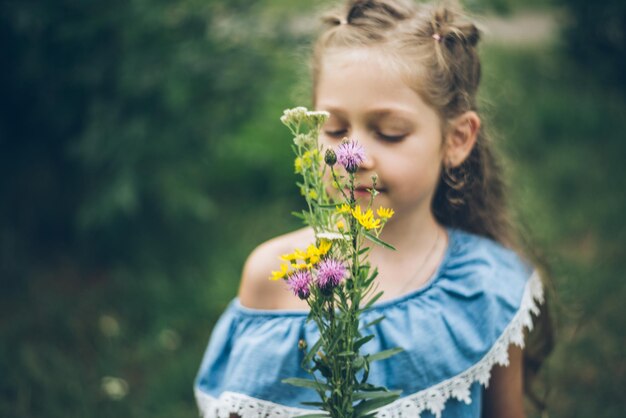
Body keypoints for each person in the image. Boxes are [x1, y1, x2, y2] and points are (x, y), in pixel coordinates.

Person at [194, 0, 552, 417]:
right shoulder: (274, 277)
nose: (353, 154)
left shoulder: (486, 287)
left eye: (390, 133)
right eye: (334, 128)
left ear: (456, 140)